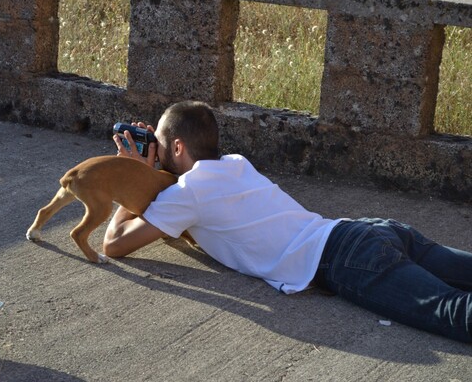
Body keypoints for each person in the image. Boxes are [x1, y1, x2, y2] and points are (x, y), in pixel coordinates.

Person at [105, 100, 472, 343]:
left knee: (454, 313)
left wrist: (132, 173)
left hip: (348, 260)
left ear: (179, 148)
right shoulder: (235, 163)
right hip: (372, 230)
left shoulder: (186, 194)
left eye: (160, 143)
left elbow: (115, 244)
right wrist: (155, 164)